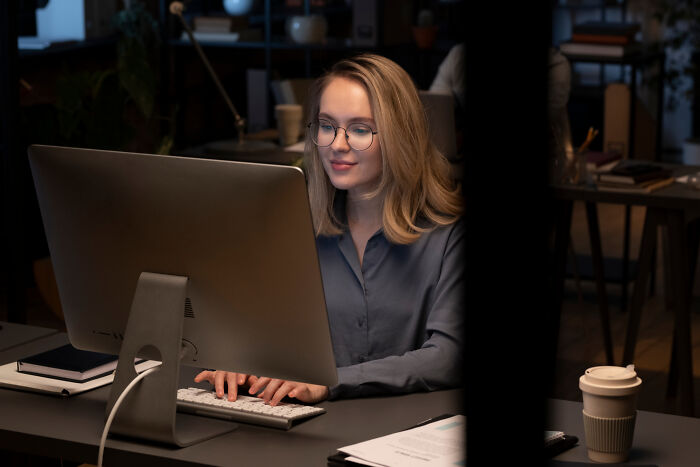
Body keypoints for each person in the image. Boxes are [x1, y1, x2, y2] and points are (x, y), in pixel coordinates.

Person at [195, 54, 465, 406]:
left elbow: (448, 356)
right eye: (327, 125)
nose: (337, 144)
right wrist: (237, 359)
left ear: (402, 137)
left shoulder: (449, 237)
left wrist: (329, 382)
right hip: (304, 427)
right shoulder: (293, 226)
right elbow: (257, 326)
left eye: (359, 129)